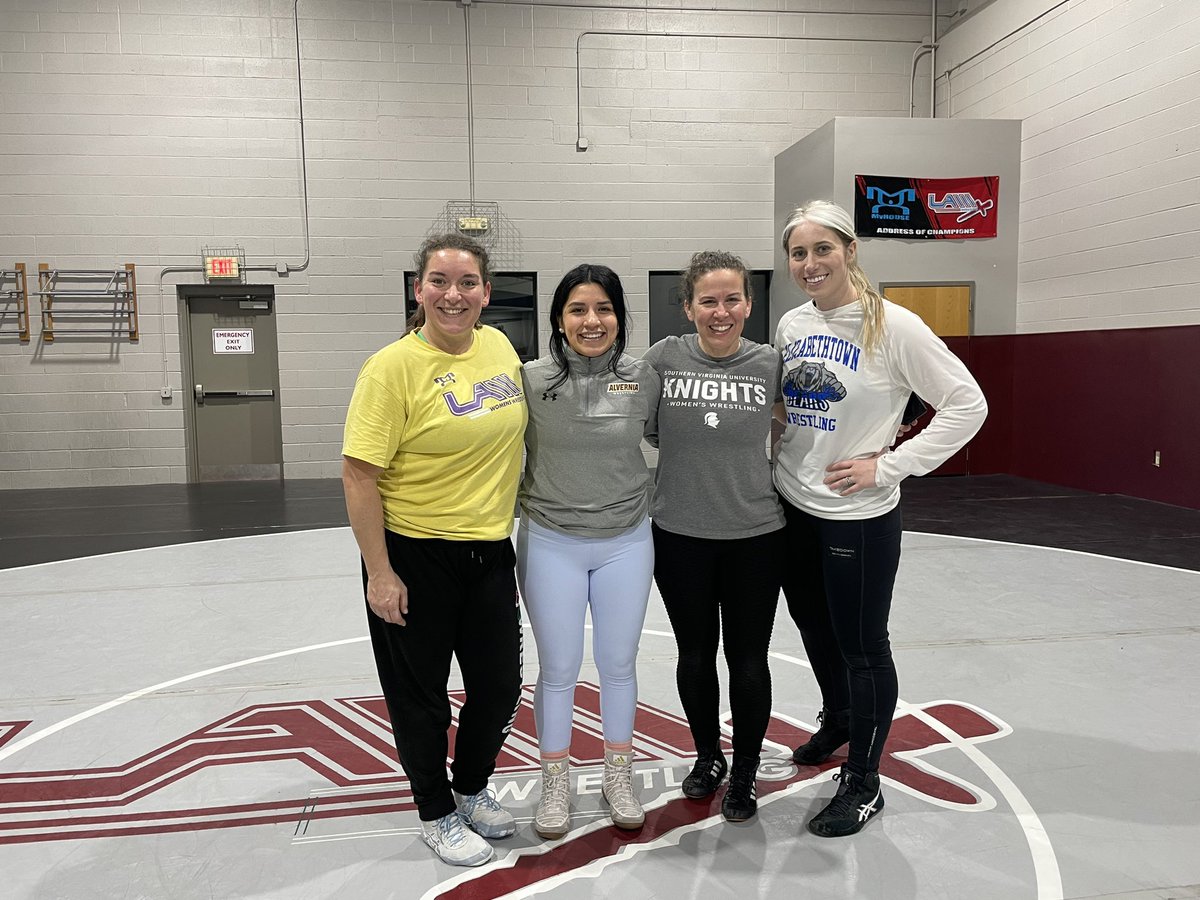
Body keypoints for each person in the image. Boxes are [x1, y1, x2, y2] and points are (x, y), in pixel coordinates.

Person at [774, 201, 987, 837]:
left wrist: (890, 465)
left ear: (850, 251)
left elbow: (966, 404)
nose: (810, 264)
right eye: (799, 253)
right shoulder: (789, 324)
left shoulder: (894, 326)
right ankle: (838, 720)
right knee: (815, 628)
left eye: (822, 250)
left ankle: (864, 782)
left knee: (864, 647)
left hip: (856, 516)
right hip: (792, 503)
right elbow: (799, 401)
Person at [341, 233, 526, 867]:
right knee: (420, 700)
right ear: (418, 290)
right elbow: (359, 474)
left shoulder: (499, 347)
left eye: (467, 282)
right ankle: (436, 812)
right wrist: (379, 573)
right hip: (414, 554)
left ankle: (469, 787)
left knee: (500, 687)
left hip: (489, 550)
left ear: (486, 293)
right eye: (439, 282)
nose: (454, 295)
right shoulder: (391, 368)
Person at [517, 264, 659, 840]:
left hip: (627, 539)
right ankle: (556, 782)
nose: (591, 321)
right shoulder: (528, 379)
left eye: (603, 309)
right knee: (558, 670)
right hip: (551, 539)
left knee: (619, 666)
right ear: (559, 318)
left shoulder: (644, 376)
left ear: (620, 318)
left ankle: (616, 775)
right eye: (578, 309)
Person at [643, 250, 785, 823]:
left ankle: (745, 772)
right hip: (680, 534)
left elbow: (803, 425)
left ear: (749, 305)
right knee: (695, 655)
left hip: (756, 535)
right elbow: (648, 431)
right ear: (688, 306)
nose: (720, 311)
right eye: (708, 300)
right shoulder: (662, 360)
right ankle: (709, 757)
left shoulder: (772, 364)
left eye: (732, 299)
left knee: (747, 659)